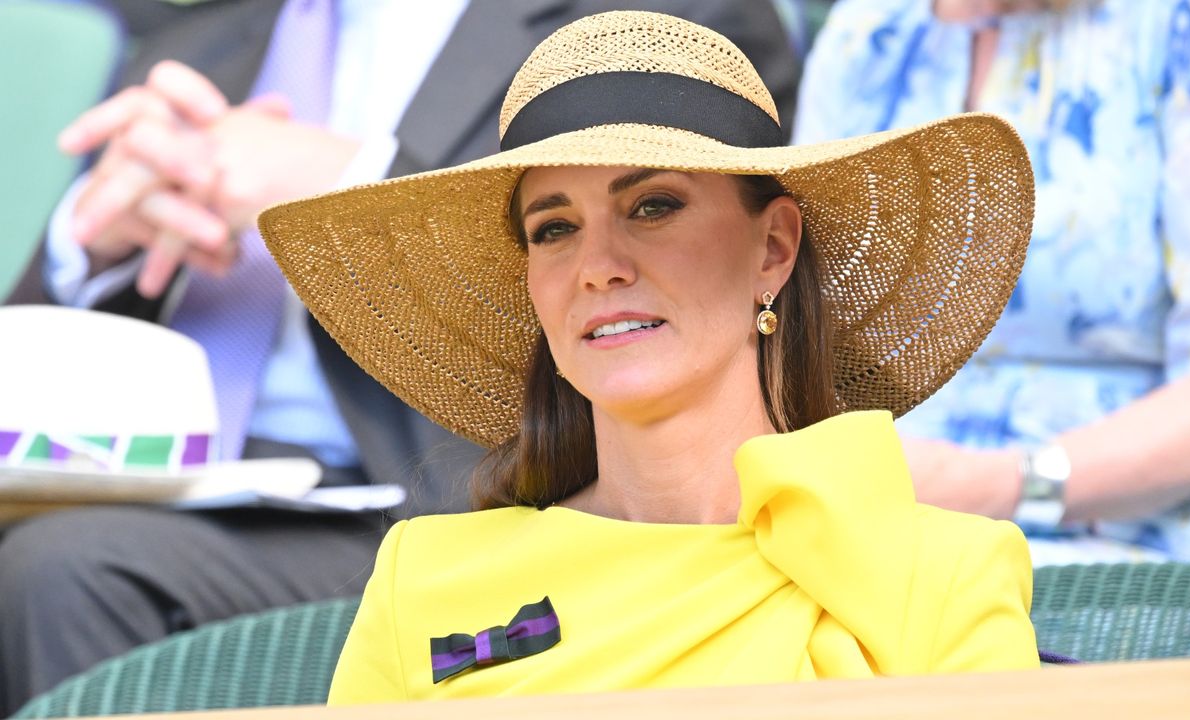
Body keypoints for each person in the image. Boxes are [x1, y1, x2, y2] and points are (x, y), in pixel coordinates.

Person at [0, 1, 800, 713]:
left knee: (66, 569)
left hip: (424, 486)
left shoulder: (658, 20)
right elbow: (23, 354)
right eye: (551, 227)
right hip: (148, 478)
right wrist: (87, 240)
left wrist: (350, 187)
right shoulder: (193, 43)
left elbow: (641, 292)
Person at [258, 11, 1040, 703]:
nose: (598, 265)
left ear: (773, 249)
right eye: (553, 228)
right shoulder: (421, 579)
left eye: (653, 206)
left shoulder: (941, 575)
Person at [793, 0, 1190, 570]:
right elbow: (807, 330)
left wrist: (986, 487)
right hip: (880, 511)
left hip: (1143, 527)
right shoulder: (868, 33)